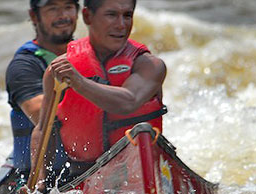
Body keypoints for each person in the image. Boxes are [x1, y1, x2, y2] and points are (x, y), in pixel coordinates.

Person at [28, 0, 167, 192]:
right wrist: (38, 183)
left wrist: (79, 82)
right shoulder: (59, 71)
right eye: (111, 15)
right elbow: (43, 129)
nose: (121, 25)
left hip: (143, 170)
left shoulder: (150, 65)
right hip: (83, 173)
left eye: (127, 15)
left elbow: (129, 102)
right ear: (87, 16)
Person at [4, 0, 80, 189]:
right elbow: (41, 114)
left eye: (68, 7)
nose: (63, 15)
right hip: (42, 179)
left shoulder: (91, 54)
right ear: (33, 16)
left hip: (89, 166)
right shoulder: (23, 65)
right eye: (53, 9)